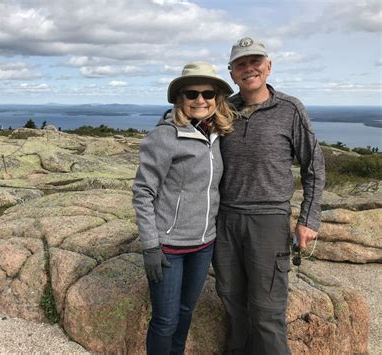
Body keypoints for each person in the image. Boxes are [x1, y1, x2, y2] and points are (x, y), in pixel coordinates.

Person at [212, 37, 326, 355]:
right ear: (232, 72)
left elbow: (313, 165)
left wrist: (308, 218)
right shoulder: (223, 111)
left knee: (266, 312)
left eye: (255, 61)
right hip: (225, 220)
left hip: (268, 220)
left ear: (269, 66)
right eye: (241, 64)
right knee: (231, 300)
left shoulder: (290, 109)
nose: (249, 68)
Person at [132, 61, 236, 355]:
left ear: (217, 98)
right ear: (180, 98)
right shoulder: (165, 136)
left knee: (187, 311)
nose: (200, 100)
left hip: (204, 245)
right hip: (169, 247)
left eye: (208, 93)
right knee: (165, 320)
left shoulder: (217, 135)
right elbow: (142, 192)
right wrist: (151, 246)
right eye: (192, 94)